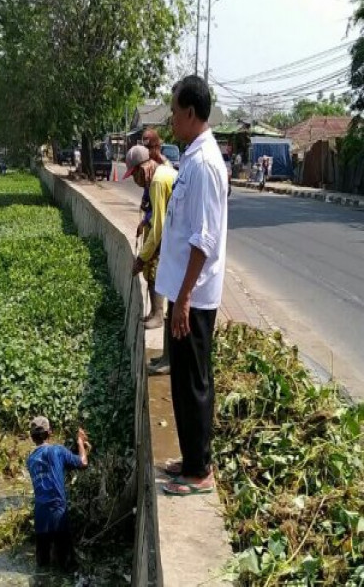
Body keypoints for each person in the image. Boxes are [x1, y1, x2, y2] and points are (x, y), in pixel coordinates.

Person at [156, 76, 228, 496]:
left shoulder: (202, 165)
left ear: (189, 113)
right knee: (185, 379)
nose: (170, 119)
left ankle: (199, 472)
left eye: (172, 111)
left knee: (194, 380)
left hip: (195, 298)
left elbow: (203, 240)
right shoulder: (194, 158)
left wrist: (183, 298)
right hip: (187, 294)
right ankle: (192, 458)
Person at [124, 145, 177, 337]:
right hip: (171, 229)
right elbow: (154, 213)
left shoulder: (157, 182)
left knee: (154, 267)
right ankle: (154, 312)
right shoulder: (159, 174)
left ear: (142, 168)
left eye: (134, 174)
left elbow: (158, 229)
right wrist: (143, 223)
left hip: (175, 232)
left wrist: (141, 258)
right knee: (151, 265)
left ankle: (157, 314)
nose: (135, 180)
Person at [26, 416, 89, 570]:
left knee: (42, 566)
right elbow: (82, 462)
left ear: (32, 437)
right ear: (50, 433)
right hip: (58, 514)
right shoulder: (57, 450)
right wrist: (80, 443)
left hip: (40, 516)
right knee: (67, 567)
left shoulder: (30, 460)